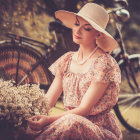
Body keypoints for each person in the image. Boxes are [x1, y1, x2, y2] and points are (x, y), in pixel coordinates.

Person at [28, 3, 122, 140]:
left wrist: (48, 120)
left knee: (73, 122)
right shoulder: (67, 59)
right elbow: (47, 101)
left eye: (87, 28)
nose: (77, 31)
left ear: (98, 33)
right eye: (77, 24)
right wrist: (31, 115)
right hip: (67, 121)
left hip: (97, 128)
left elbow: (84, 110)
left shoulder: (104, 64)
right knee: (24, 125)